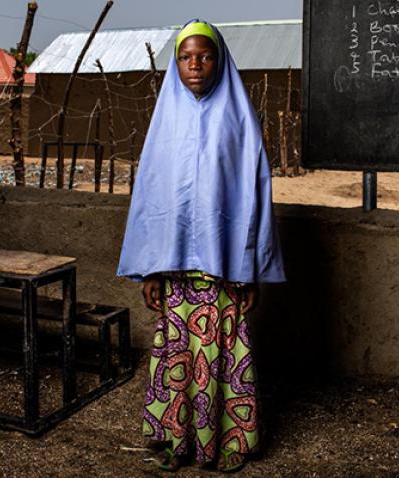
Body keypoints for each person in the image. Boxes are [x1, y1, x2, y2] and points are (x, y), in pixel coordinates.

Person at [117, 19, 286, 472]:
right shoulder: (164, 121)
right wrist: (151, 266)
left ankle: (228, 444)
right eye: (186, 57)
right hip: (174, 269)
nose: (195, 65)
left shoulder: (238, 121)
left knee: (222, 354)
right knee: (177, 355)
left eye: (205, 56)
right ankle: (179, 442)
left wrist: (250, 269)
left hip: (223, 267)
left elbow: (254, 197)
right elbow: (151, 197)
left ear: (220, 60)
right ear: (176, 63)